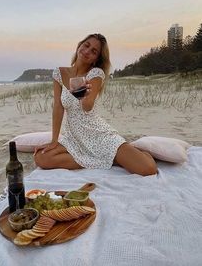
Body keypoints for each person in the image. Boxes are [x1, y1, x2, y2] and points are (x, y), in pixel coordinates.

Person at [34, 33, 157, 176]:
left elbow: (87, 106)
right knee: (41, 158)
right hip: (73, 137)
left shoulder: (95, 74)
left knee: (148, 169)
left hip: (97, 135)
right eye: (86, 45)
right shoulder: (59, 73)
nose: (87, 51)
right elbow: (58, 107)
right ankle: (110, 159)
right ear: (80, 45)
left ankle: (129, 154)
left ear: (96, 59)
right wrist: (54, 141)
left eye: (94, 51)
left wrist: (85, 97)